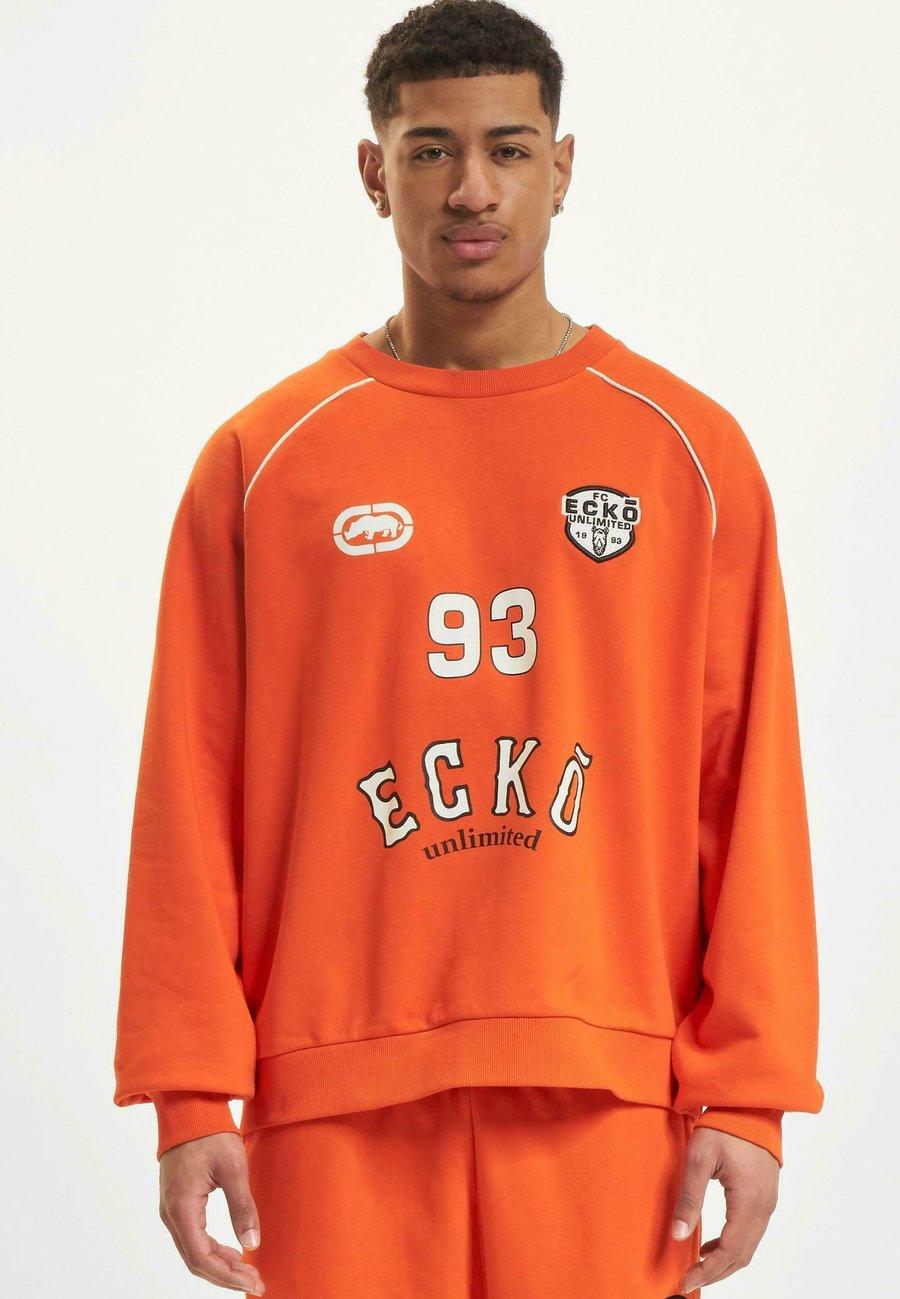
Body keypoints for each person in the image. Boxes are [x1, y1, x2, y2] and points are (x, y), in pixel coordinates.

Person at [112, 1, 824, 1295]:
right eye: (430, 150)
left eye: (508, 147)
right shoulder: (266, 463)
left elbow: (748, 787)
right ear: (373, 171)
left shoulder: (687, 456)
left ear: (563, 166)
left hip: (610, 1088)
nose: (471, 189)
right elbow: (189, 793)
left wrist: (751, 1088)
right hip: (335, 1086)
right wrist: (188, 1088)